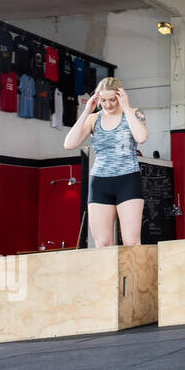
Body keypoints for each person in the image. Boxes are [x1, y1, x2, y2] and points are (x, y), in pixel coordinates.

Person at [63, 77, 148, 247]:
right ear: (97, 99)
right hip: (100, 182)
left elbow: (141, 137)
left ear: (120, 96)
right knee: (102, 243)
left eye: (112, 99)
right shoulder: (93, 119)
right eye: (103, 100)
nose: (108, 105)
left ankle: (133, 274)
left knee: (131, 241)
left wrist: (126, 107)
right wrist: (87, 111)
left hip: (128, 180)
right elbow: (69, 144)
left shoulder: (134, 113)